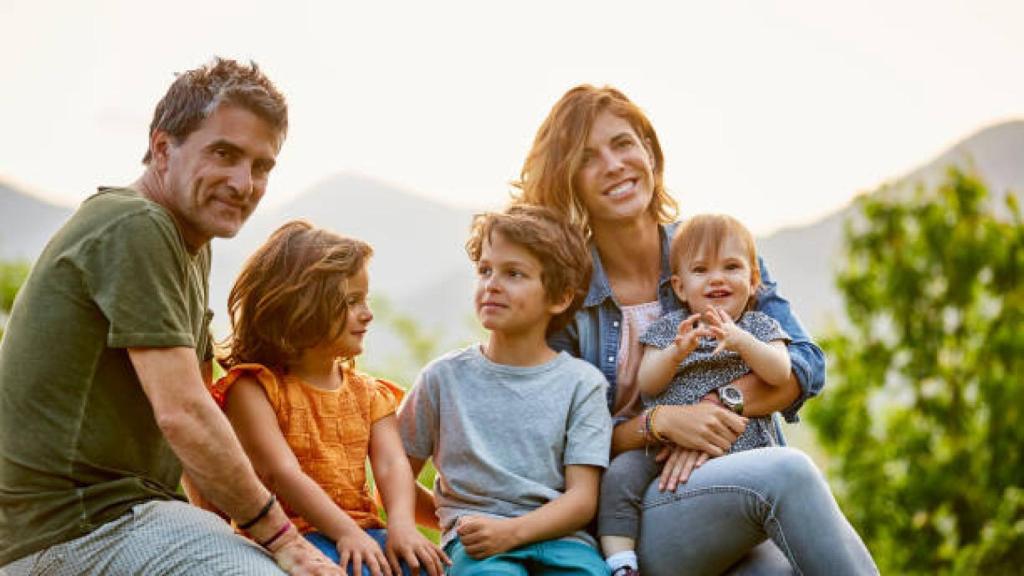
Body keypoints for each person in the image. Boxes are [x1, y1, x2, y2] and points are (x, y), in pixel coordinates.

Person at [516, 85, 877, 575]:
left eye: (623, 143)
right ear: (569, 180)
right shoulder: (565, 294)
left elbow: (804, 366)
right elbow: (560, 441)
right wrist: (660, 424)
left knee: (778, 574)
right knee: (790, 473)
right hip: (629, 512)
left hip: (727, 479)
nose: (615, 164)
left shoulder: (713, 251)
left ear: (648, 150)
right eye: (587, 158)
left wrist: (712, 409)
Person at [0, 58, 340, 575]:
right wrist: (282, 540)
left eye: (261, 166)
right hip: (73, 529)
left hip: (125, 516)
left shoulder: (188, 244)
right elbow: (183, 415)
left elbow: (198, 421)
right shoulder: (135, 224)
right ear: (163, 149)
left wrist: (234, 534)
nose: (243, 182)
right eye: (224, 154)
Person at [209, 221, 450, 576]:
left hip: (367, 533)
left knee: (429, 566)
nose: (367, 314)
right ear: (302, 306)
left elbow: (391, 466)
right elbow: (280, 474)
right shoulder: (254, 388)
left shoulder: (369, 393)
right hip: (290, 538)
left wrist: (401, 526)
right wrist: (346, 533)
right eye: (352, 301)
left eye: (365, 299)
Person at [397, 205, 613, 576]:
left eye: (513, 273)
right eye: (484, 270)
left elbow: (582, 499)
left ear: (559, 297)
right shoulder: (442, 378)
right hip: (479, 551)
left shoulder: (583, 384)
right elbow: (395, 468)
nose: (491, 284)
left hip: (565, 544)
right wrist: (448, 520)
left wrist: (510, 532)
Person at [598, 214, 797, 574]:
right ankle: (621, 559)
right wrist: (676, 352)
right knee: (620, 477)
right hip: (666, 449)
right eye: (701, 270)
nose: (717, 278)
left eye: (731, 267)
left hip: (740, 444)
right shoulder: (671, 329)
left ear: (754, 281)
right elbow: (648, 383)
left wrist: (742, 341)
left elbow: (781, 372)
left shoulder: (759, 326)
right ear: (679, 287)